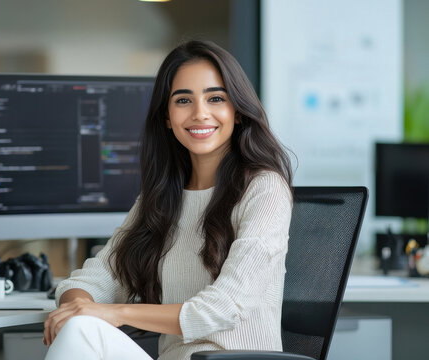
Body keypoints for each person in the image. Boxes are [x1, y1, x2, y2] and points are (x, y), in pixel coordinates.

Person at [43, 40, 293, 360]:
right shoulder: (161, 197)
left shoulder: (265, 189)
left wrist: (116, 314)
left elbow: (225, 307)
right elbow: (95, 279)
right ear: (167, 116)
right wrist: (77, 309)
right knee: (80, 328)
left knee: (82, 329)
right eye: (183, 100)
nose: (200, 113)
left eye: (215, 98)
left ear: (238, 111)